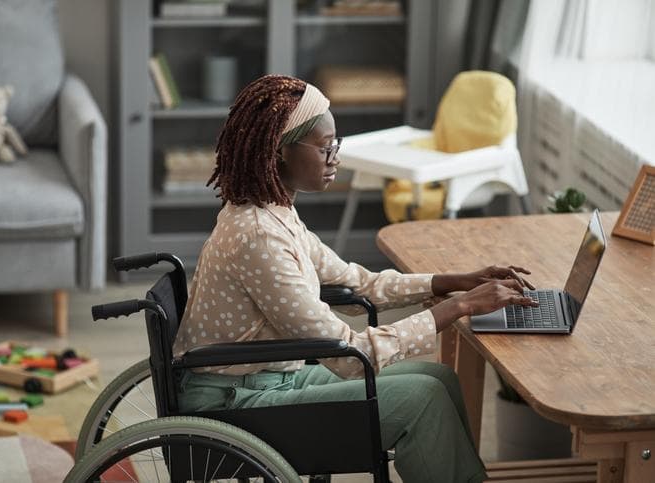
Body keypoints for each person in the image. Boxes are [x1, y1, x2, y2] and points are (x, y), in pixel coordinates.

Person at [172, 74, 538, 483]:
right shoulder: (258, 236)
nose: (336, 158)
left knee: (440, 378)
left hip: (268, 380)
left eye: (337, 146)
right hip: (237, 402)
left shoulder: (275, 213)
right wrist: (460, 308)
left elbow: (357, 282)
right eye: (326, 147)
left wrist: (454, 281)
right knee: (423, 398)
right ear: (280, 152)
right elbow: (347, 357)